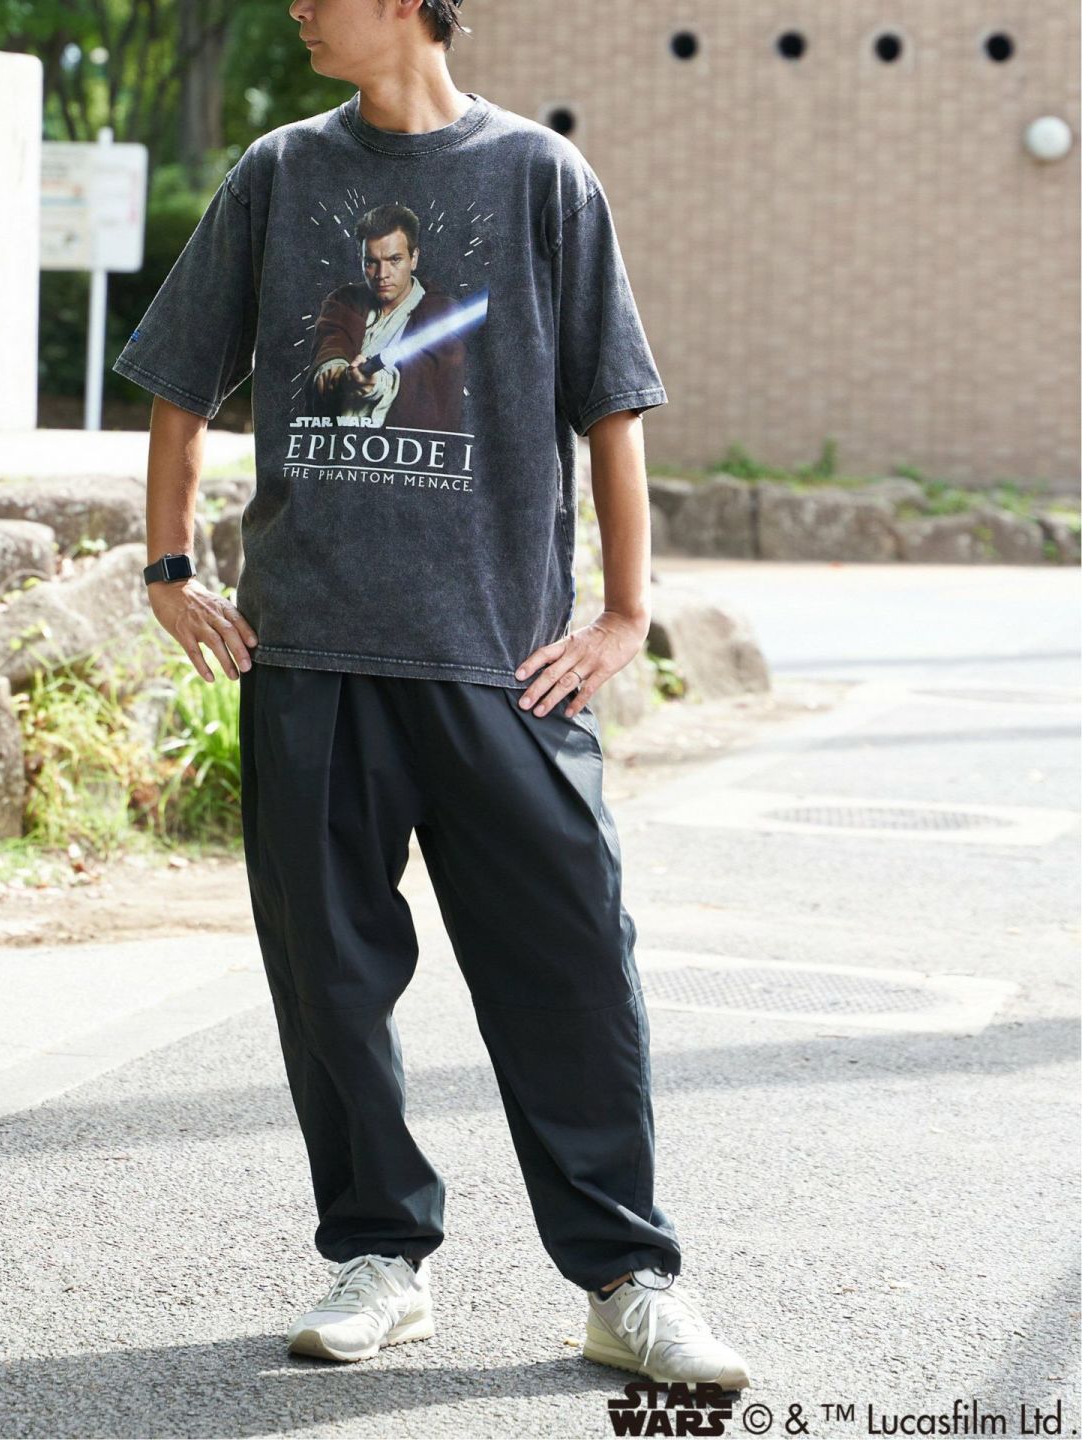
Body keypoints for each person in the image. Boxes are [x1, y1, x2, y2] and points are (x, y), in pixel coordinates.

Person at [112, 0, 752, 1391]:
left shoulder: (540, 179)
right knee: (330, 982)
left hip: (500, 668)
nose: (297, 7)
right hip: (313, 659)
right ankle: (379, 1256)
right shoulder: (281, 172)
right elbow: (179, 377)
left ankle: (627, 1279)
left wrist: (625, 613)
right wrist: (168, 568)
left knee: (572, 968)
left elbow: (613, 404)